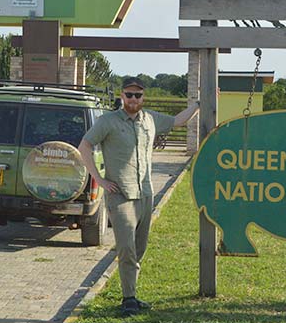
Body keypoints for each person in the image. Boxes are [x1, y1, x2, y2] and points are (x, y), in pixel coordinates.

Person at [77, 76, 200, 317]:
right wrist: (99, 180)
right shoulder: (108, 121)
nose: (134, 99)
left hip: (145, 195)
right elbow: (84, 146)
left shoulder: (150, 119)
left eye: (138, 95)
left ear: (143, 97)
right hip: (120, 195)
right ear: (122, 96)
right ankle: (128, 298)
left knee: (140, 248)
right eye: (129, 95)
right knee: (126, 248)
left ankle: (131, 290)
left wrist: (199, 104)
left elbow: (178, 121)